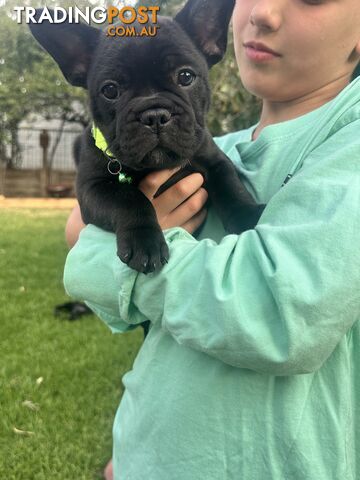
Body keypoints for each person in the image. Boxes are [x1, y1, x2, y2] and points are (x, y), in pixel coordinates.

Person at [64, 0, 360, 478]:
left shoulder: (348, 147)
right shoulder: (226, 142)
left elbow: (279, 317)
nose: (265, 12)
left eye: (181, 79)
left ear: (209, 42)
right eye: (115, 90)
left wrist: (92, 248)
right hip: (151, 447)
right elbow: (94, 231)